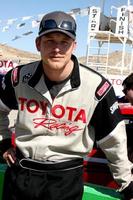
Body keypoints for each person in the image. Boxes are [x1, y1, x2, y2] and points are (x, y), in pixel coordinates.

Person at [0, 11, 133, 200]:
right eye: (50, 41)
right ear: (38, 44)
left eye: (64, 42)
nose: (57, 49)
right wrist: (4, 142)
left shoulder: (97, 88)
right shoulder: (18, 78)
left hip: (65, 180)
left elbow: (113, 140)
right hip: (21, 175)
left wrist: (126, 182)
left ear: (74, 46)